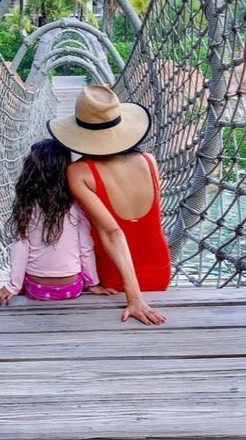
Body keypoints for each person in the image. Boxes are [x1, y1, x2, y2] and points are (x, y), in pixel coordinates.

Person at [47, 84, 170, 326]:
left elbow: (112, 232)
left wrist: (134, 297)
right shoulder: (149, 161)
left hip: (114, 278)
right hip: (160, 268)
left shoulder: (79, 171)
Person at [0, 138, 100, 305]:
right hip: (71, 288)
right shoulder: (76, 204)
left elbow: (20, 247)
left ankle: (22, 284)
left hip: (36, 289)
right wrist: (93, 283)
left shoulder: (27, 205)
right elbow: (85, 247)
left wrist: (14, 286)